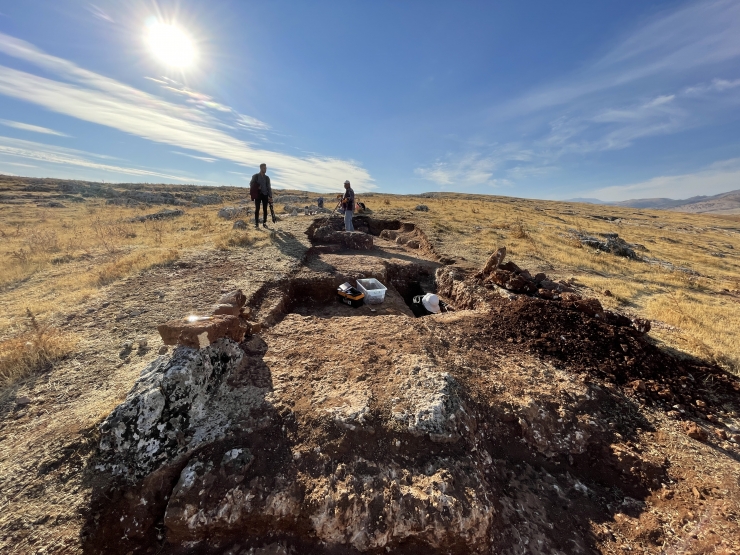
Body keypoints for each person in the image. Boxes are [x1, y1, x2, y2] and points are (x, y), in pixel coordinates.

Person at [250, 163, 273, 229]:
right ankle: (256, 223)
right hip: (258, 195)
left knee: (265, 209)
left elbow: (269, 187)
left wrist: (270, 196)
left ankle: (264, 223)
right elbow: (251, 184)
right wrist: (257, 187)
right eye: (264, 168)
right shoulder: (255, 176)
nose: (265, 169)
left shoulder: (267, 178)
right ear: (261, 168)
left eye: (266, 168)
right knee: (257, 209)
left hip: (265, 195)